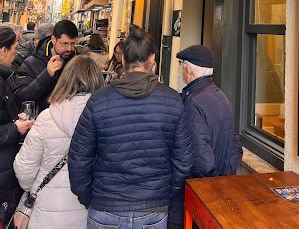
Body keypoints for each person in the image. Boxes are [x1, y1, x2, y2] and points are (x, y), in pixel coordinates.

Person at [69, 26, 193, 229]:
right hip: (153, 208)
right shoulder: (172, 100)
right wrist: (162, 194)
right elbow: (183, 160)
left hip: (105, 206)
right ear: (153, 59)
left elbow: (78, 157)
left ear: (123, 60)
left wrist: (88, 196)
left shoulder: (99, 100)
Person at [13, 55, 104, 229]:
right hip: (89, 213)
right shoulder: (106, 119)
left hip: (46, 212)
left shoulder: (47, 118)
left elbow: (24, 170)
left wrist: (33, 187)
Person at [168, 45, 243, 229]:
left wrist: (213, 184)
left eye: (181, 66)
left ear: (187, 70)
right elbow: (235, 146)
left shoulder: (193, 103)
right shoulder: (221, 96)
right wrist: (224, 178)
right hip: (219, 190)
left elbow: (201, 160)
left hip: (201, 195)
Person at [0, 27, 34, 226]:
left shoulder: (4, 77)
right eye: (14, 47)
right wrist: (15, 128)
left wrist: (15, 120)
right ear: (3, 50)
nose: (17, 52)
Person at [13, 20, 79, 113]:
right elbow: (20, 99)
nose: (69, 48)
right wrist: (46, 75)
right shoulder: (31, 63)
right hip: (41, 123)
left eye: (72, 44)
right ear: (53, 39)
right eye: (64, 43)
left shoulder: (78, 61)